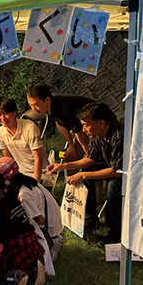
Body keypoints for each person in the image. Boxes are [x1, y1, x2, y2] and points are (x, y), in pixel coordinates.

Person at [47, 102, 123, 242]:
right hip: (110, 166)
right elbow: (91, 159)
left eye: (86, 125)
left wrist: (84, 175)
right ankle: (89, 218)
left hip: (124, 173)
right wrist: (63, 166)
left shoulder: (118, 136)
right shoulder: (95, 136)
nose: (84, 129)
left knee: (113, 185)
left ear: (101, 123)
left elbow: (118, 171)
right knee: (87, 170)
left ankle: (115, 232)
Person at [0, 157, 63, 272]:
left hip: (49, 233)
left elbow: (40, 220)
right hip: (54, 226)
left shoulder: (24, 194)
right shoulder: (27, 182)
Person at [0, 171, 45, 285]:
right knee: (26, 259)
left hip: (17, 246)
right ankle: (34, 267)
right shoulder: (13, 197)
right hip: (31, 240)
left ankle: (17, 274)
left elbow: (3, 236)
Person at [26, 84, 94, 162]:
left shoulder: (65, 108)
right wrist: (71, 146)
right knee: (69, 157)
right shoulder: (48, 107)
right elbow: (60, 123)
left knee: (88, 159)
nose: (34, 109)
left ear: (47, 100)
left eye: (36, 105)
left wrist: (89, 156)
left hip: (95, 127)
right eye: (31, 105)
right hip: (82, 131)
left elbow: (79, 134)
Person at [0, 97, 47, 183]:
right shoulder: (0, 131)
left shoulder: (30, 128)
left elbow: (38, 159)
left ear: (15, 112)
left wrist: (36, 184)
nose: (2, 118)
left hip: (42, 174)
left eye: (6, 113)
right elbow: (8, 159)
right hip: (21, 173)